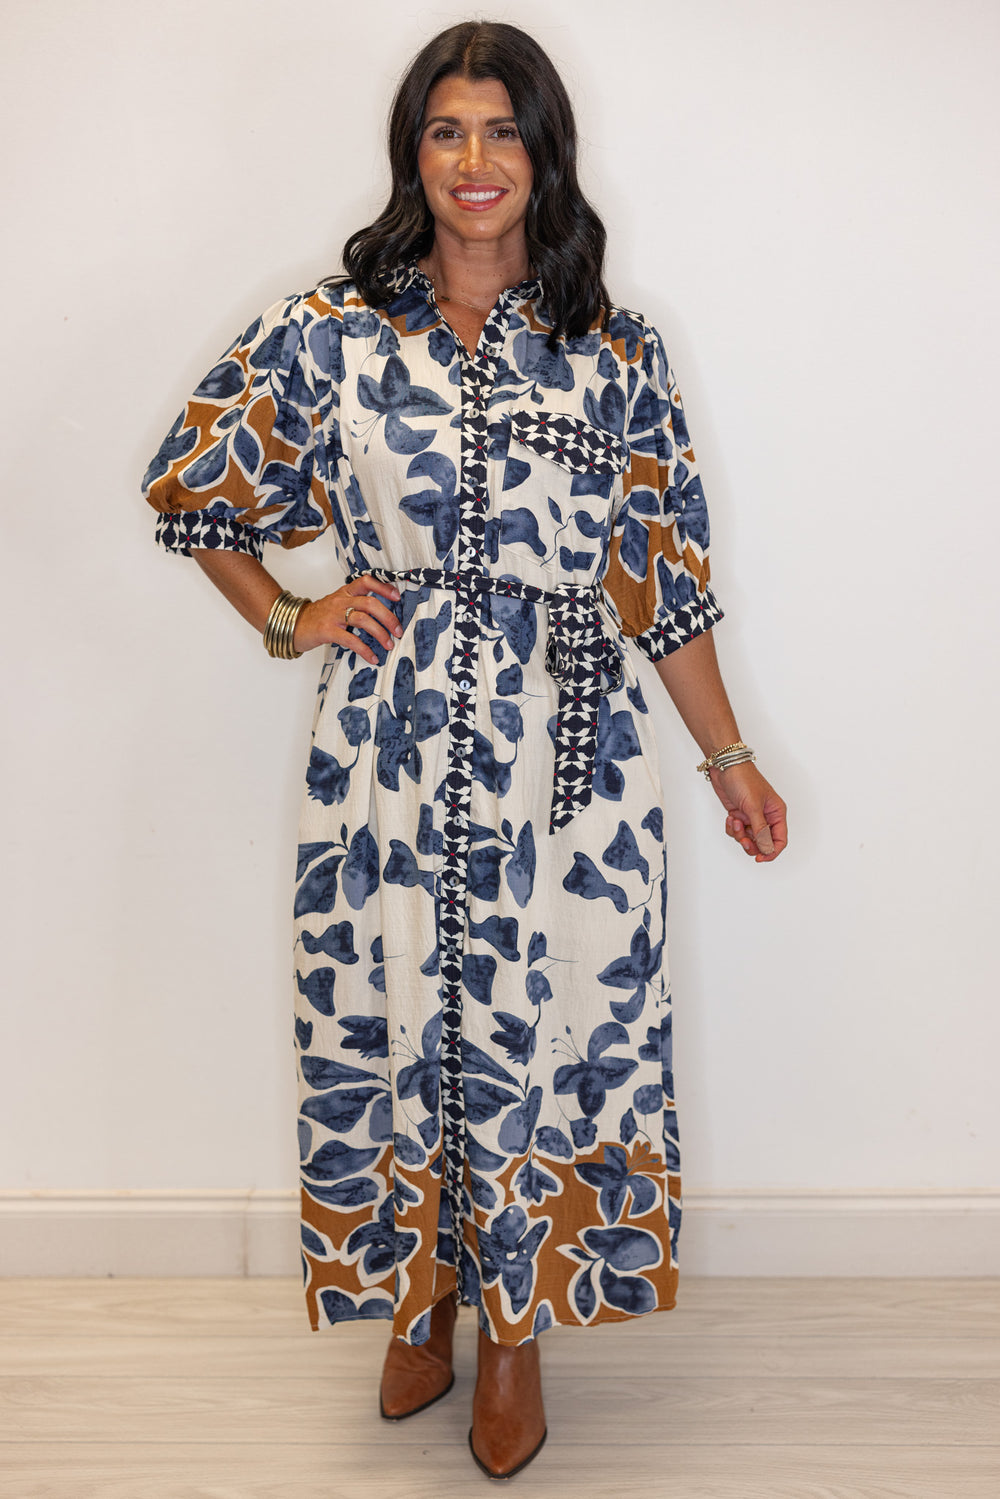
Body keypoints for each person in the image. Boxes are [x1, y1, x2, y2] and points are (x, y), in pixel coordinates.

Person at [143, 19, 787, 1482]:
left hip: (570, 758)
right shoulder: (332, 330)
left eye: (503, 130)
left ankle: (515, 1327)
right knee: (391, 1009)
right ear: (413, 154)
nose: (476, 160)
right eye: (448, 130)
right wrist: (291, 616)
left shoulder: (616, 351)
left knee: (547, 1030)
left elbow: (662, 582)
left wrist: (731, 758)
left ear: (544, 153)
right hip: (389, 747)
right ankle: (418, 1289)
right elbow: (193, 490)